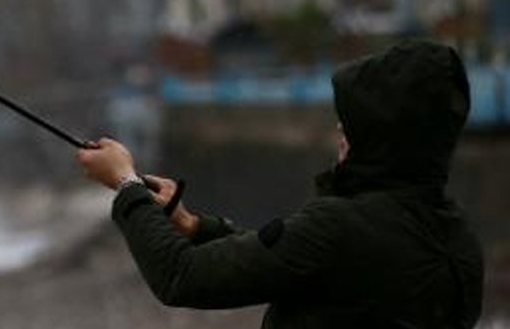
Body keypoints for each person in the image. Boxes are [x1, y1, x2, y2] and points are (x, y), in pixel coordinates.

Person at [77, 39, 484, 327]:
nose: (340, 130)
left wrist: (126, 183)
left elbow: (182, 276)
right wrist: (195, 226)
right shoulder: (456, 239)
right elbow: (303, 262)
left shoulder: (338, 228)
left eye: (354, 124)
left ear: (384, 136)